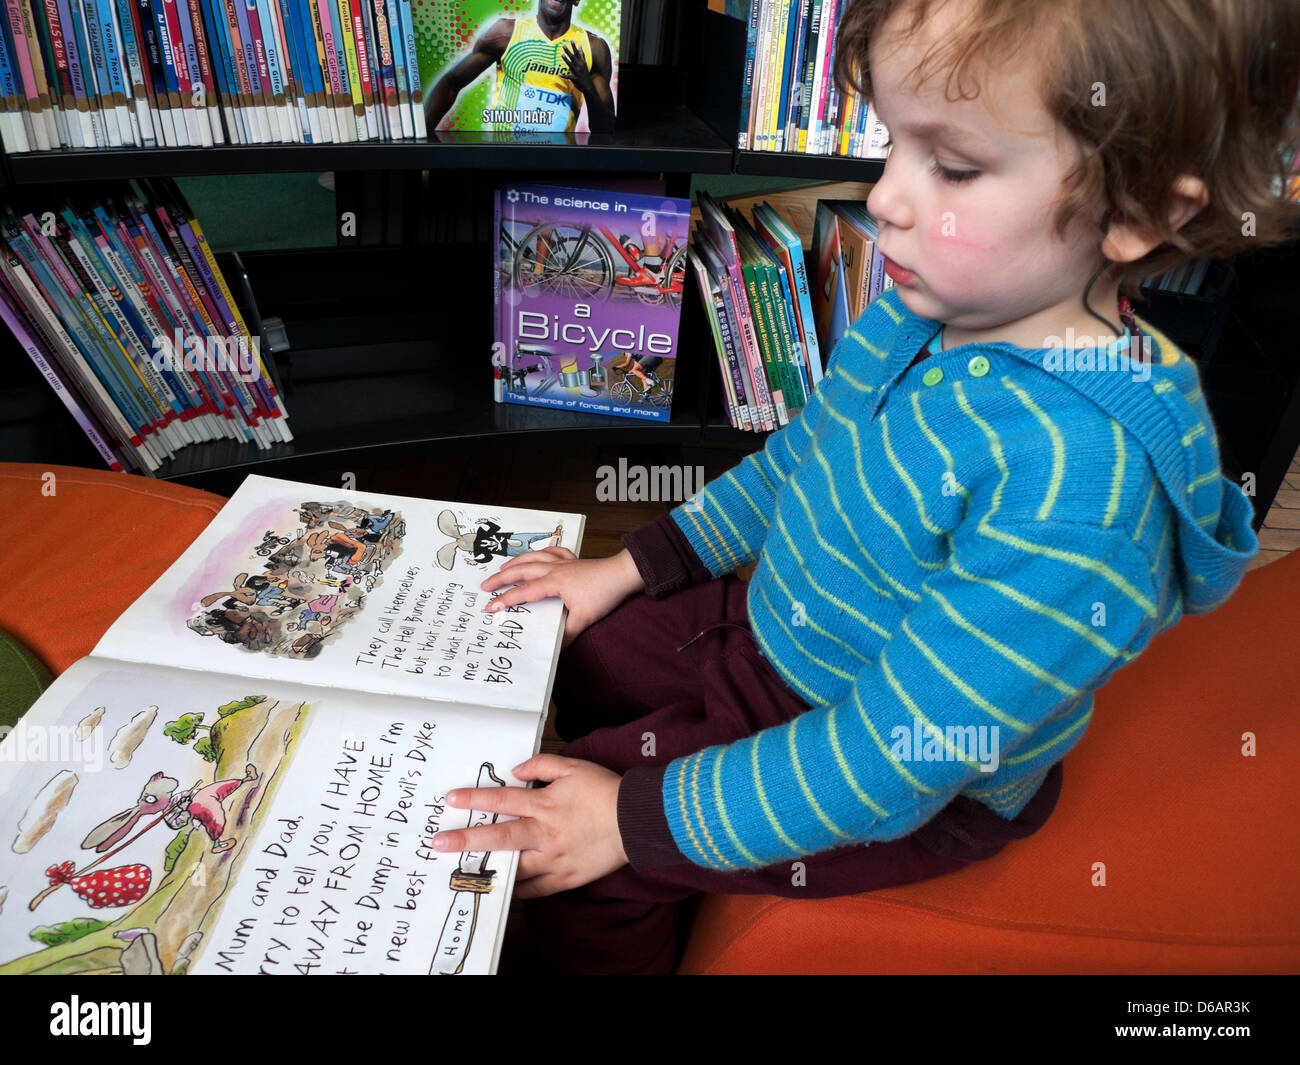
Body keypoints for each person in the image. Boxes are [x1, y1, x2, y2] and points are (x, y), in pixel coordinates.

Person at [433, 0, 1300, 973]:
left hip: (895, 771)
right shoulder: (923, 313)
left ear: (1139, 212)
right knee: (584, 656)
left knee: (589, 869)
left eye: (954, 167)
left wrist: (631, 824)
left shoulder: (1079, 494)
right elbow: (803, 458)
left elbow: (899, 755)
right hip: (783, 629)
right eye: (893, 144)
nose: (883, 196)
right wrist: (628, 570)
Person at [424, 0, 616, 134]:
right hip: (506, 157)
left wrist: (588, 88)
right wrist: (421, 141)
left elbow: (604, 128)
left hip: (556, 162)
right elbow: (451, 83)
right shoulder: (506, 33)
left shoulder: (593, 48)